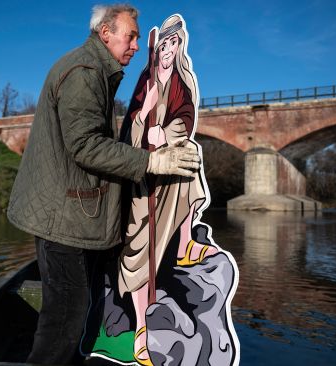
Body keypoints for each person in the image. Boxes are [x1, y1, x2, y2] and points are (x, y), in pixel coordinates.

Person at [6, 5, 201, 365]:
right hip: (63, 220)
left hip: (72, 213)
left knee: (70, 309)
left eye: (139, 37)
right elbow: (85, 145)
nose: (137, 44)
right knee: (64, 317)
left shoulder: (96, 70)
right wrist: (151, 161)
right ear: (105, 33)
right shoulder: (85, 72)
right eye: (131, 35)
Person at [117, 14, 218, 365]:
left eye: (175, 44)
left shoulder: (181, 80)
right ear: (157, 47)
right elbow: (127, 135)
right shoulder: (145, 81)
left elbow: (186, 116)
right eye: (165, 44)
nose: (170, 51)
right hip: (142, 174)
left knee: (189, 154)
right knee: (139, 249)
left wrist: (170, 134)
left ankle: (187, 241)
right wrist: (145, 119)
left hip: (170, 166)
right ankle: (141, 331)